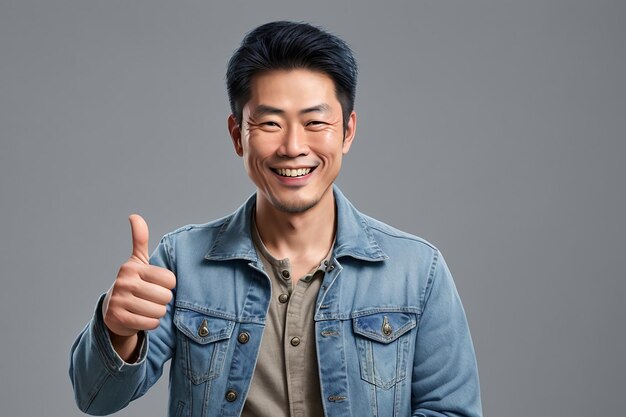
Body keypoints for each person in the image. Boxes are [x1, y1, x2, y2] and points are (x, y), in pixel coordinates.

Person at [69, 21, 482, 417]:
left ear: (348, 131)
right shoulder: (180, 261)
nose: (292, 146)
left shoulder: (417, 271)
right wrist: (118, 329)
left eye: (315, 122)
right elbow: (96, 398)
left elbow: (452, 412)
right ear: (238, 135)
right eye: (269, 123)